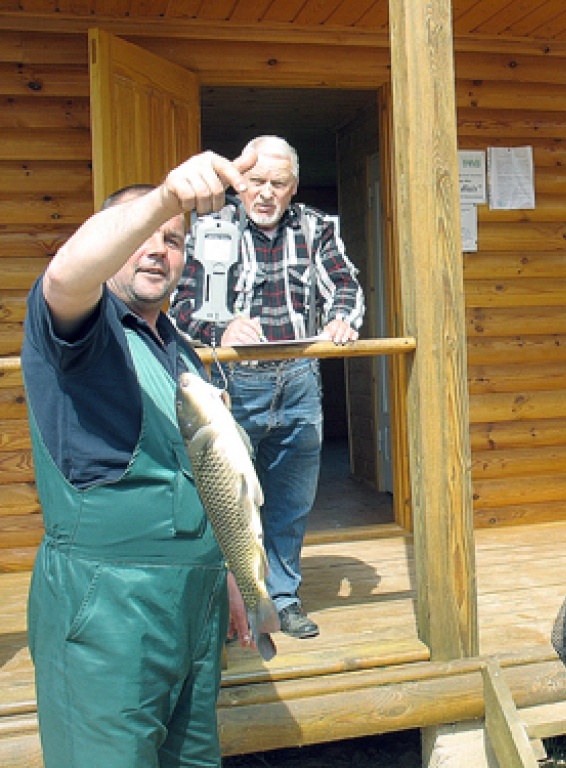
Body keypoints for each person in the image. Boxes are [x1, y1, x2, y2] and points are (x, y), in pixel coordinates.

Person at [21, 151, 259, 767]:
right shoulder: (77, 326)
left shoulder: (179, 348)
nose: (158, 249)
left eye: (174, 241)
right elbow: (66, 274)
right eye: (142, 237)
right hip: (109, 610)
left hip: (194, 607)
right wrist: (164, 199)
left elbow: (209, 475)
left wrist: (229, 565)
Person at [170, 135, 365, 639]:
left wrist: (343, 318)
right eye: (256, 182)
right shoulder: (210, 227)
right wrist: (222, 331)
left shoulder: (318, 228)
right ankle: (225, 609)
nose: (265, 193)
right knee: (227, 503)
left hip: (300, 380)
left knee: (290, 500)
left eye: (278, 184)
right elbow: (181, 306)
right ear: (241, 181)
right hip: (229, 385)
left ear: (292, 186)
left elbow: (344, 284)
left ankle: (281, 597)